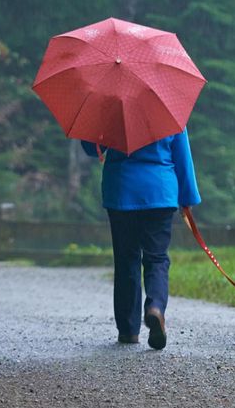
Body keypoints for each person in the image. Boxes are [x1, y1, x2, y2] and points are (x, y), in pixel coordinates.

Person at [82, 129, 201, 350]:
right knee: (156, 258)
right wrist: (187, 198)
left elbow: (91, 149)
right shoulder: (169, 110)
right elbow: (182, 156)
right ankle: (155, 307)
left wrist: (96, 125)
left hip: (121, 190)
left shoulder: (112, 110)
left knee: (126, 259)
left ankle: (128, 330)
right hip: (160, 191)